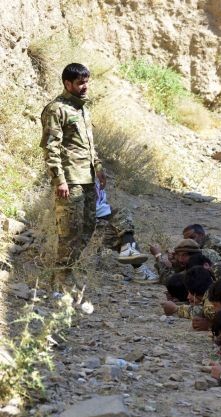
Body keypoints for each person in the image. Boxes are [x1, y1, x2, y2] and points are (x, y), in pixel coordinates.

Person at [41, 63, 103, 284]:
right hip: (69, 180)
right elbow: (51, 147)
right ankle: (60, 277)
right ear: (68, 83)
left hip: (87, 177)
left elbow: (88, 145)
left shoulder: (83, 108)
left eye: (87, 82)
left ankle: (68, 270)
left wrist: (99, 168)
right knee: (69, 231)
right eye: (80, 83)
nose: (85, 86)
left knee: (88, 226)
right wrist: (59, 180)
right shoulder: (56, 109)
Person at [94, 181, 158, 282]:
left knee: (123, 236)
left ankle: (135, 261)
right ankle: (140, 270)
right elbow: (95, 210)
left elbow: (101, 207)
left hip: (98, 225)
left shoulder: (96, 179)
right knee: (121, 215)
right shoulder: (82, 177)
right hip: (86, 231)